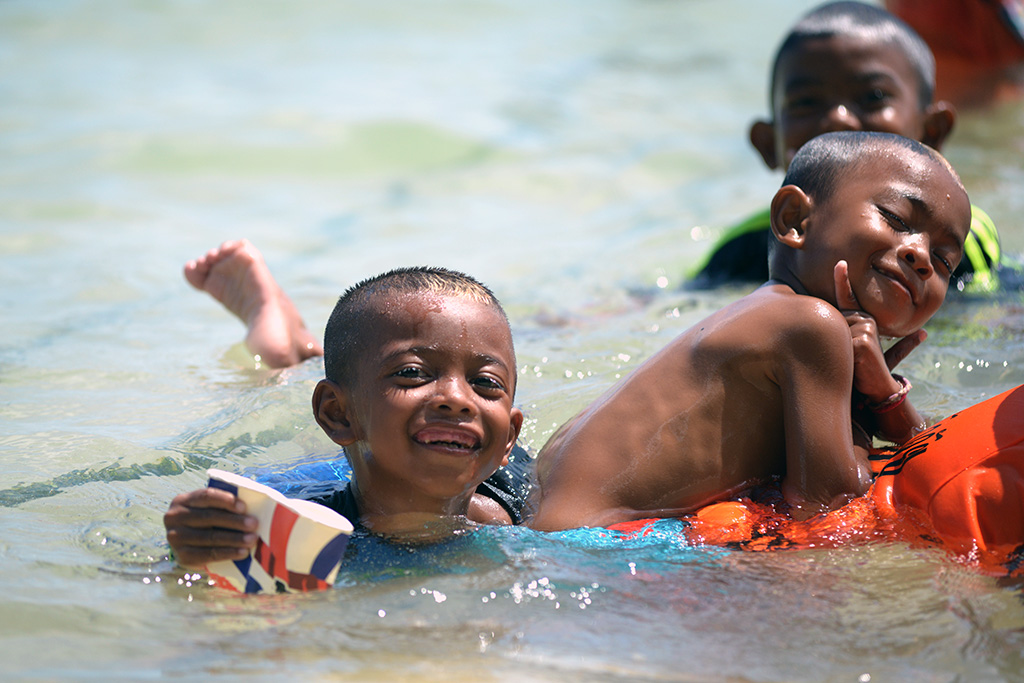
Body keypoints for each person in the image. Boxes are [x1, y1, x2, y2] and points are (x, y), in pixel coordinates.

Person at [526, 131, 972, 531]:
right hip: (588, 550)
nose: (920, 254)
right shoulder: (813, 327)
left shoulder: (768, 314)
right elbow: (828, 506)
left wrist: (879, 394)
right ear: (795, 219)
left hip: (541, 512)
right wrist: (876, 405)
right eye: (895, 218)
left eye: (945, 260)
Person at [165, 262, 531, 568]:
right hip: (344, 456)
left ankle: (294, 345)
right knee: (301, 409)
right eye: (411, 372)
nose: (457, 398)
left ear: (510, 439)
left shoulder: (529, 520)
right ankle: (284, 347)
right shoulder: (296, 524)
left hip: (397, 441)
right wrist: (193, 549)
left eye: (485, 382)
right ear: (336, 414)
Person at [689, 0, 1002, 293]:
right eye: (807, 102)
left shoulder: (954, 244)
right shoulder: (746, 249)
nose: (838, 119)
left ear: (931, 133)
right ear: (769, 145)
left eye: (873, 97)